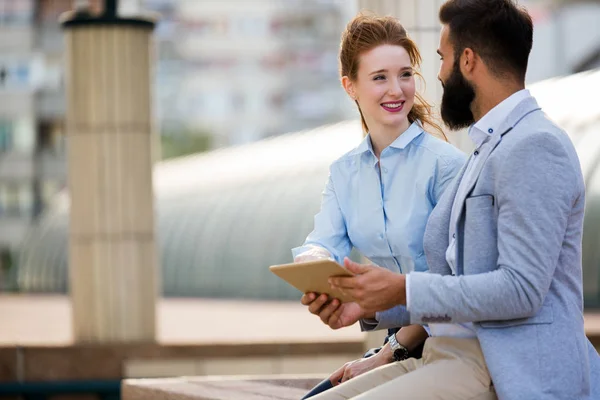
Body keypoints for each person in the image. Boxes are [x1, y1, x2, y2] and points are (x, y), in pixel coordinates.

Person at [303, 0, 600, 399]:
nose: (437, 74)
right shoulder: (490, 146)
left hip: (502, 365)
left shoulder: (534, 146)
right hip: (445, 353)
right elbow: (458, 283)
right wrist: (369, 306)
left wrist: (401, 290)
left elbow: (521, 290)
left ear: (468, 60)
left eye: (442, 59)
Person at [292, 13, 466, 399]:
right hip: (395, 340)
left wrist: (386, 354)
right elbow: (321, 242)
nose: (396, 89)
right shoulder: (344, 173)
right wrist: (317, 276)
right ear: (349, 86)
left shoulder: (447, 167)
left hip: (446, 341)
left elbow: (456, 286)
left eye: (404, 74)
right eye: (379, 77)